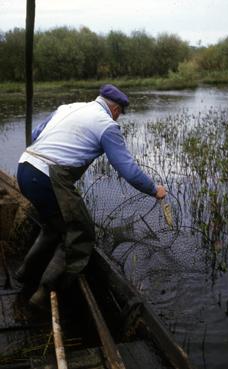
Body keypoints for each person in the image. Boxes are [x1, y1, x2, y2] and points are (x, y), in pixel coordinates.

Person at [16, 84, 166, 309]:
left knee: (52, 228)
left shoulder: (69, 107)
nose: (118, 119)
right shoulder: (107, 125)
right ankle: (45, 294)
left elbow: (37, 133)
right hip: (49, 178)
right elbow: (127, 169)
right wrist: (154, 189)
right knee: (81, 235)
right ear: (116, 110)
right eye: (120, 115)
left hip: (25, 168)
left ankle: (25, 274)